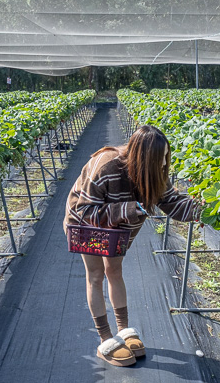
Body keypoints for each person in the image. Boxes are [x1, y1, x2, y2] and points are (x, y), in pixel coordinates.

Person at [64, 125, 202, 367]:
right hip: (86, 225)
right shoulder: (106, 165)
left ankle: (124, 330)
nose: (163, 166)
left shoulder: (152, 174)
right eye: (159, 160)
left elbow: (174, 204)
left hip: (118, 230)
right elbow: (84, 210)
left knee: (114, 271)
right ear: (143, 157)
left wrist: (209, 210)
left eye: (165, 159)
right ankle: (105, 339)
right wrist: (128, 209)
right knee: (96, 275)